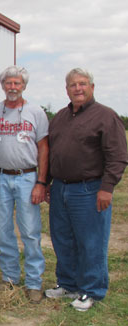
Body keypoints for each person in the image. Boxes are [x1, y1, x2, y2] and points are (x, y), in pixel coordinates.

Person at [45, 68, 127, 311]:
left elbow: (118, 156)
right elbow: (52, 153)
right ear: (67, 89)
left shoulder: (105, 116)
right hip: (60, 188)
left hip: (89, 190)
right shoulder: (60, 117)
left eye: (82, 84)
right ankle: (68, 283)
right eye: (73, 85)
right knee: (63, 239)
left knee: (91, 241)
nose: (78, 88)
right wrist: (47, 182)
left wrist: (107, 188)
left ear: (92, 87)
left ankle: (92, 290)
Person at [0, 66, 48, 303]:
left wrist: (41, 181)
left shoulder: (36, 112)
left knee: (30, 231)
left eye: (17, 83)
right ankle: (9, 277)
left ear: (24, 86)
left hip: (27, 177)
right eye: (8, 83)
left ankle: (33, 282)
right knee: (3, 231)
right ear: (2, 85)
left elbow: (43, 148)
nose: (12, 87)